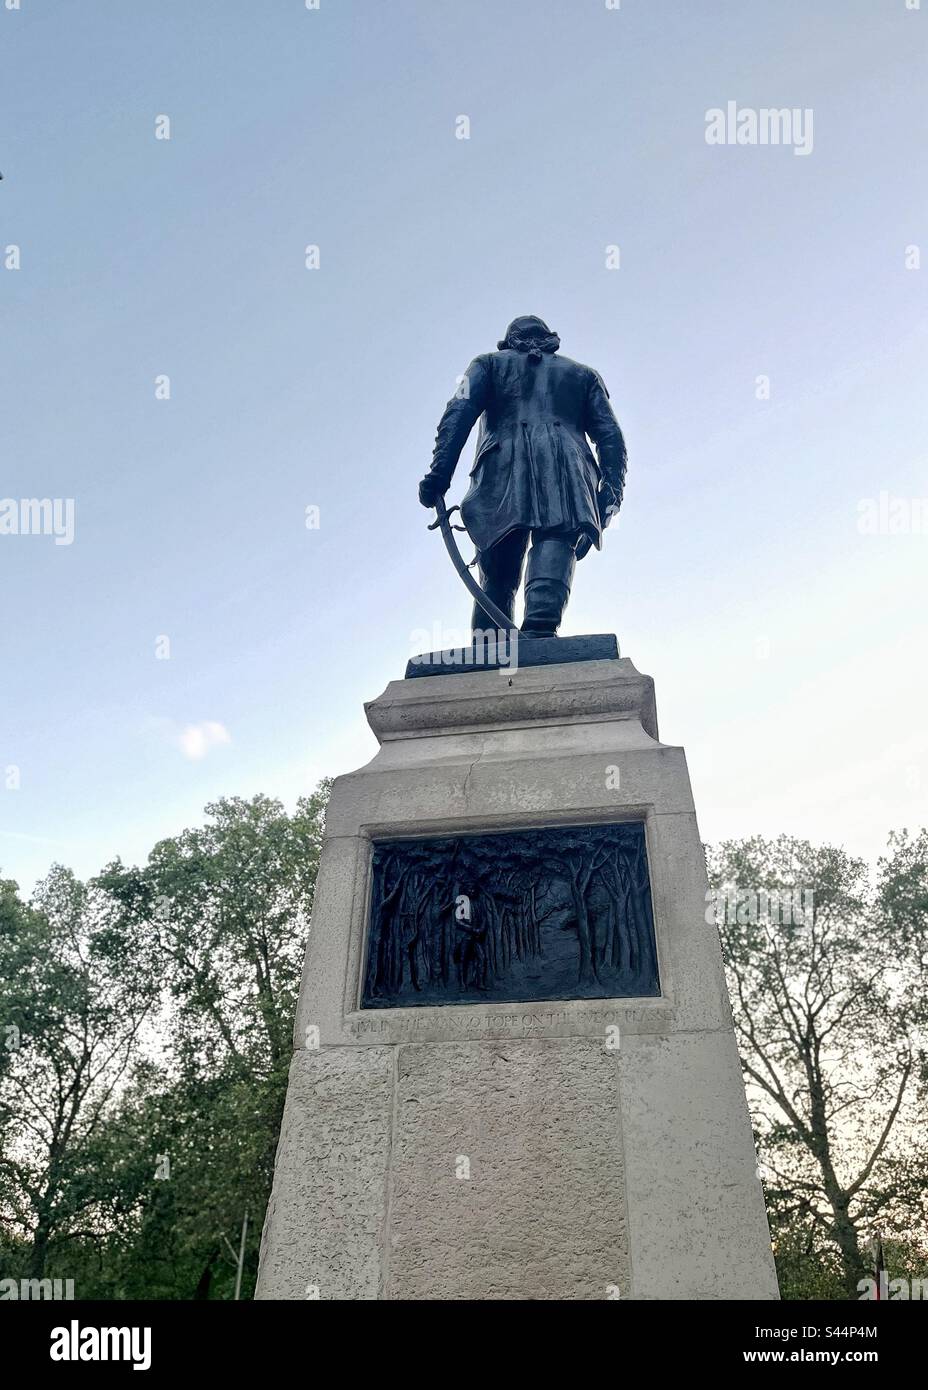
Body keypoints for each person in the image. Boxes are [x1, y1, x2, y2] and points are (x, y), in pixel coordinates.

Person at [418, 316, 628, 637]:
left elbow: (457, 415)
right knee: (556, 538)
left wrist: (439, 473)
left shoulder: (487, 364)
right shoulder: (583, 374)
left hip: (503, 467)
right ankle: (540, 631)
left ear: (508, 341)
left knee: (499, 565)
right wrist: (609, 498)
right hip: (565, 468)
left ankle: (493, 643)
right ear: (550, 339)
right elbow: (611, 438)